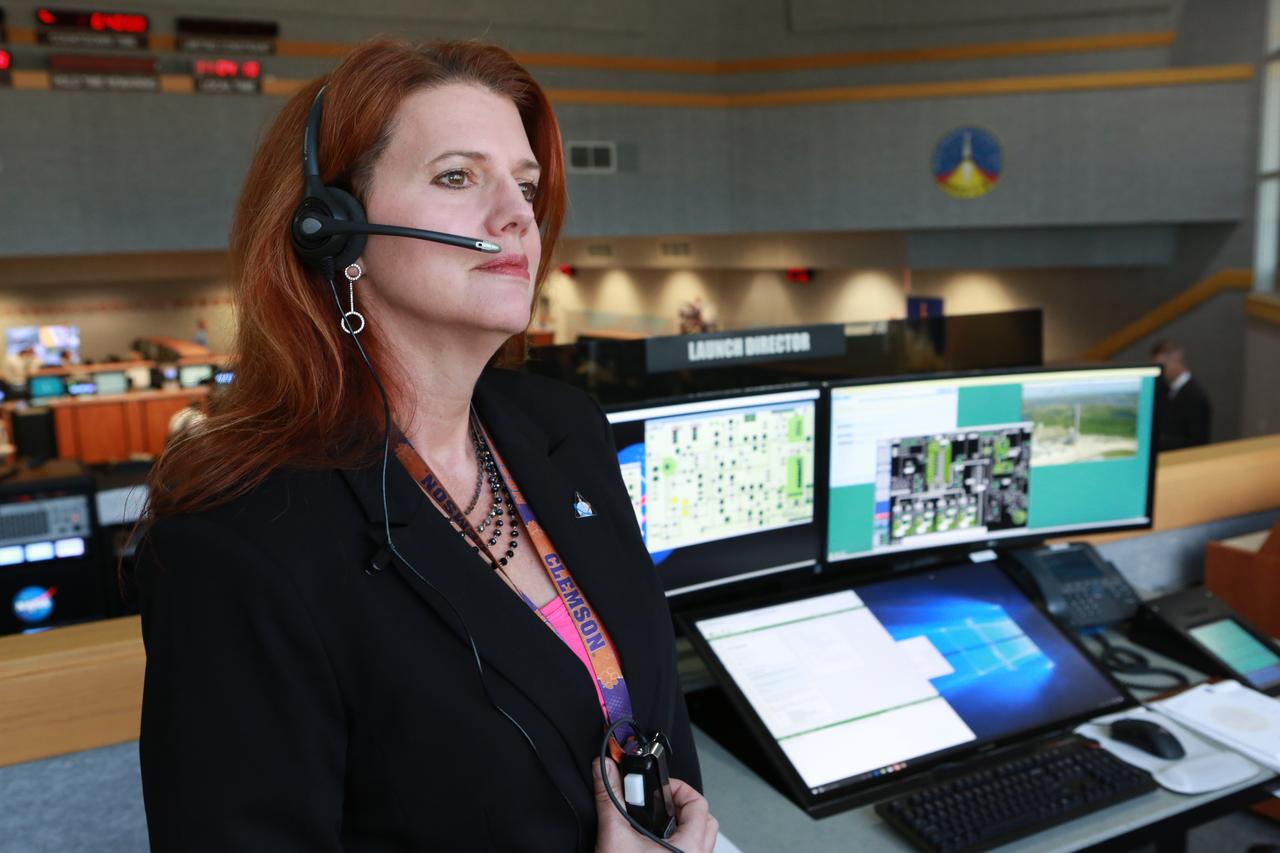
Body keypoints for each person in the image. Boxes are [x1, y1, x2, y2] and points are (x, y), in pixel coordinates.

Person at [135, 38, 716, 853]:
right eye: (457, 176)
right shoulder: (236, 538)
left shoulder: (564, 428)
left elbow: (653, 708)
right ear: (331, 231)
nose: (517, 214)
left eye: (525, 185)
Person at [1150, 339, 1211, 450]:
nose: (1159, 372)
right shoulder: (1164, 390)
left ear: (1176, 362)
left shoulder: (1195, 397)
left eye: (1161, 367)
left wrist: (1157, 440)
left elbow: (1198, 442)